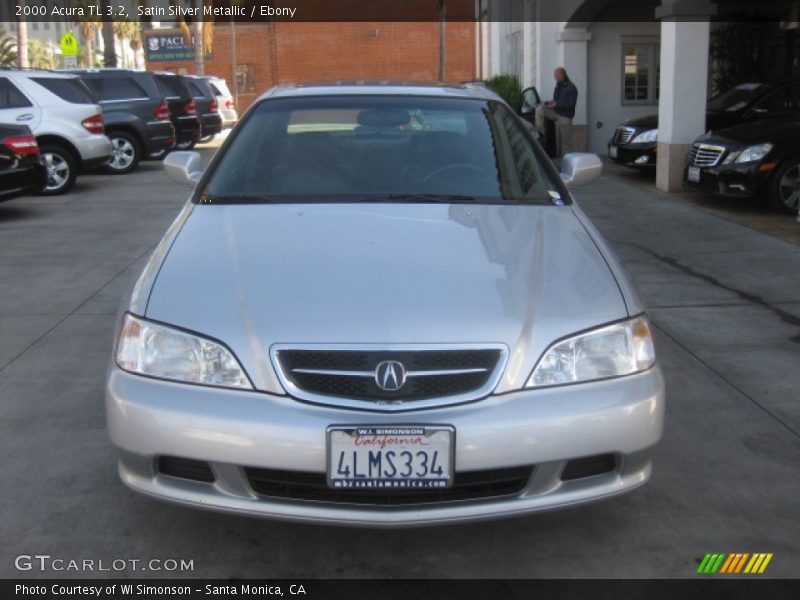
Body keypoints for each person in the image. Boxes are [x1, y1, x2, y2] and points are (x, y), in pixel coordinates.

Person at [535, 67, 578, 156]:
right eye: (554, 76)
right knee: (539, 109)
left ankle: (566, 162)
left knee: (565, 143)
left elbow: (571, 105)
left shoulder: (572, 88)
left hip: (565, 116)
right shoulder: (558, 86)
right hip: (555, 112)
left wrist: (557, 104)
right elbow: (555, 100)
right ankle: (541, 133)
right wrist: (546, 103)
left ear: (562, 75)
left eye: (557, 75)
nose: (555, 78)